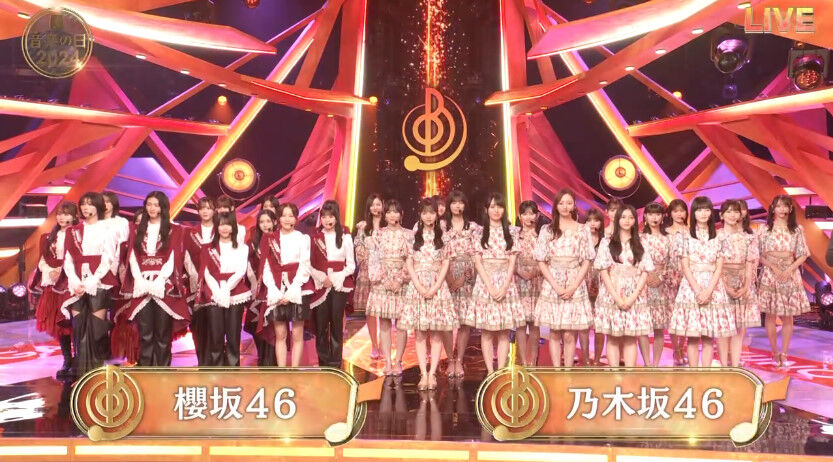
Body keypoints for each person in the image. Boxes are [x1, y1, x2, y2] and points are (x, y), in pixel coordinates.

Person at [669, 196, 736, 367]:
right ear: (693, 213)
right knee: (693, 336)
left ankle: (705, 373)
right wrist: (698, 290)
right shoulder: (684, 236)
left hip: (714, 288)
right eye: (699, 210)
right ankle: (693, 374)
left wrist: (709, 290)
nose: (703, 213)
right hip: (691, 288)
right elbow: (685, 266)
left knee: (708, 336)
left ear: (711, 212)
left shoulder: (720, 237)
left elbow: (719, 267)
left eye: (706, 210)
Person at [123, 191, 188, 366]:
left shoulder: (174, 230)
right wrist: (140, 279)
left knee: (162, 333)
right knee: (145, 333)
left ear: (163, 207)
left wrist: (160, 279)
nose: (152, 208)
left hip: (164, 285)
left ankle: (163, 371)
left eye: (156, 205)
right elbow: (132, 256)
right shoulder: (135, 229)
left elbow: (173, 256)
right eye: (149, 204)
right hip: (142, 284)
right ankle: (146, 370)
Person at [463, 193, 524, 374]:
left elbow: (512, 262)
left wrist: (504, 286)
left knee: (504, 330)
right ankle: (490, 371)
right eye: (492, 206)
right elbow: (477, 262)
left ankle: (502, 370)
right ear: (486, 209)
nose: (496, 210)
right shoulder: (478, 233)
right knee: (487, 331)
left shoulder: (512, 232)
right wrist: (489, 286)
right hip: (485, 284)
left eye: (500, 206)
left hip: (506, 283)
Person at [533, 189, 594, 367]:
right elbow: (541, 260)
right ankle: (556, 370)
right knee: (554, 332)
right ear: (556, 206)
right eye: (561, 203)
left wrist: (573, 286)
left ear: (574, 205)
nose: (565, 206)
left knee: (569, 332)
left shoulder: (583, 229)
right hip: (553, 282)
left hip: (575, 282)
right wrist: (556, 286)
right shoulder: (547, 230)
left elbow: (587, 260)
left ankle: (567, 371)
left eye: (569, 203)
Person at [400, 198, 455, 389]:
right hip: (418, 288)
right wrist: (419, 286)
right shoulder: (413, 237)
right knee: (420, 334)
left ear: (437, 214)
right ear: (420, 215)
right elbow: (409, 263)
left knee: (437, 334)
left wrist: (435, 287)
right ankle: (423, 374)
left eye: (431, 212)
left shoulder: (444, 237)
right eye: (425, 213)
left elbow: (446, 264)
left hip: (438, 288)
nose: (428, 216)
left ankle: (432, 374)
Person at [63, 192, 117, 375]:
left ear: (98, 206)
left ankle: (96, 372)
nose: (86, 207)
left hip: (99, 282)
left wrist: (93, 280)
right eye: (83, 204)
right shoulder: (73, 231)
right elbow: (68, 259)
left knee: (96, 330)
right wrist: (74, 280)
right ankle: (81, 373)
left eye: (90, 204)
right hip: (77, 283)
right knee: (78, 328)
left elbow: (108, 258)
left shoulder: (108, 229)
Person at [594, 204, 653, 368]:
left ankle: (629, 374)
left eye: (631, 217)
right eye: (624, 217)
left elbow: (645, 271)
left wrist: (633, 297)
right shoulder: (606, 242)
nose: (627, 221)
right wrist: (617, 298)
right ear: (618, 219)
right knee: (612, 337)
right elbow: (603, 271)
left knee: (630, 337)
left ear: (635, 220)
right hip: (611, 293)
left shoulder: (642, 242)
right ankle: (614, 374)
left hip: (635, 294)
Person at [757, 194, 811, 367]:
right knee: (770, 314)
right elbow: (757, 254)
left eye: (785, 206)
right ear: (773, 208)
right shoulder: (764, 229)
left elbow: (803, 254)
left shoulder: (797, 229)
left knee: (788, 316)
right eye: (778, 206)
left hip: (790, 273)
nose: (781, 209)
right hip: (770, 274)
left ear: (790, 208)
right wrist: (773, 267)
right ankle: (774, 352)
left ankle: (785, 354)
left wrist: (789, 269)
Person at [259, 203, 314, 367]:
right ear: (278, 218)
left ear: (296, 219)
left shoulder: (302, 238)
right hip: (277, 289)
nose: (287, 219)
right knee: (280, 335)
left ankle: (294, 371)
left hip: (298, 289)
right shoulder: (270, 239)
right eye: (284, 215)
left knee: (297, 334)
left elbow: (305, 265)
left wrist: (292, 291)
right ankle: (282, 371)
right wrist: (274, 290)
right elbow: (266, 267)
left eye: (291, 216)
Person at [195, 212, 251, 366]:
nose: (224, 228)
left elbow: (241, 271)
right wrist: (217, 291)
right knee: (216, 335)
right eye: (221, 224)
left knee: (233, 335)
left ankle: (233, 368)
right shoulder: (207, 248)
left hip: (235, 292)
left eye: (228, 224)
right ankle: (217, 368)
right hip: (214, 293)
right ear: (216, 227)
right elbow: (206, 272)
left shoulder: (242, 248)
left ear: (233, 226)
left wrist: (226, 288)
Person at [366, 199, 413, 375]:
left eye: (396, 211)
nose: (392, 215)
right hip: (382, 283)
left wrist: (399, 279)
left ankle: (398, 361)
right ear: (384, 215)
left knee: (402, 324)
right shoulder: (378, 234)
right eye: (389, 212)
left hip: (401, 283)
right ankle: (387, 361)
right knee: (384, 323)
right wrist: (385, 280)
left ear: (401, 214)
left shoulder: (409, 234)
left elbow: (411, 260)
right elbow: (373, 259)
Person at [31, 202, 78, 378]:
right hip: (53, 285)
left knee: (74, 324)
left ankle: (78, 360)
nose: (62, 217)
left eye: (66, 214)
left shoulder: (79, 235)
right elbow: (43, 260)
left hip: (72, 283)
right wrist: (50, 271)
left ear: (74, 216)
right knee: (60, 326)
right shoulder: (47, 237)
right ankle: (67, 360)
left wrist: (63, 270)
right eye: (59, 213)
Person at [309, 201, 355, 368]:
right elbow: (308, 264)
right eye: (324, 216)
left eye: (331, 216)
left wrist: (337, 277)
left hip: (338, 285)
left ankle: (335, 363)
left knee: (336, 324)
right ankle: (323, 362)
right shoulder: (314, 237)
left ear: (336, 217)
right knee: (321, 326)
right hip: (321, 284)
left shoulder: (345, 237)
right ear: (320, 218)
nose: (327, 220)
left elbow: (351, 265)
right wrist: (322, 278)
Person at [719, 199, 760, 367]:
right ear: (721, 215)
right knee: (723, 326)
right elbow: (714, 264)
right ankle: (723, 365)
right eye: (728, 211)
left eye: (735, 211)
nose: (732, 215)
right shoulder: (715, 237)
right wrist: (725, 285)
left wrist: (746, 286)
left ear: (740, 215)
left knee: (738, 327)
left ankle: (735, 365)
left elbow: (750, 262)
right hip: (721, 283)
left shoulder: (748, 238)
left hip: (743, 283)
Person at [444, 190, 481, 378]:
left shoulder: (473, 227)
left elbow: (478, 252)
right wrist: (449, 279)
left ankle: (459, 360)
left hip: (467, 276)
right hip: (446, 273)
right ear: (449, 205)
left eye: (461, 202)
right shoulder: (442, 226)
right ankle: (450, 359)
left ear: (465, 205)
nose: (457, 205)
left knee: (464, 322)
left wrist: (467, 276)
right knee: (447, 321)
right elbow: (438, 251)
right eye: (454, 202)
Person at [638, 202, 672, 367]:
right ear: (645, 216)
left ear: (663, 217)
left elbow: (672, 263)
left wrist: (661, 276)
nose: (654, 217)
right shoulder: (639, 238)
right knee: (642, 327)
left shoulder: (668, 239)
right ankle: (646, 363)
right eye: (651, 214)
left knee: (659, 328)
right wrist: (646, 277)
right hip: (642, 284)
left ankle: (656, 364)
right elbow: (635, 261)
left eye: (658, 214)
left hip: (662, 285)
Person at [183, 197, 216, 366]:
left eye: (208, 208)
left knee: (215, 327)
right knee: (198, 326)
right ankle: (202, 362)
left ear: (214, 211)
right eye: (202, 208)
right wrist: (197, 279)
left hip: (217, 287)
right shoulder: (190, 233)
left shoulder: (220, 231)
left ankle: (216, 362)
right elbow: (186, 258)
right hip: (196, 286)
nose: (205, 211)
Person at [353, 194, 385, 361]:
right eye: (372, 205)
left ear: (383, 206)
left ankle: (384, 345)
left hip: (385, 273)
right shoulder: (363, 227)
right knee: (371, 312)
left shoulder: (388, 225)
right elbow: (358, 249)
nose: (375, 207)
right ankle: (374, 345)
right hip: (368, 273)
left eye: (378, 204)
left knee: (385, 312)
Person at [245, 209, 277, 366]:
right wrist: (255, 287)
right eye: (262, 222)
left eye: (268, 221)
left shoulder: (279, 240)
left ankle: (273, 361)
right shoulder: (252, 243)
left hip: (275, 290)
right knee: (257, 324)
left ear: (275, 222)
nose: (265, 225)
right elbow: (248, 267)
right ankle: (262, 359)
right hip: (256, 290)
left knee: (273, 327)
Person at [514, 200, 542, 366]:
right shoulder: (515, 236)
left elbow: (546, 258)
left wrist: (535, 271)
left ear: (537, 216)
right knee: (520, 324)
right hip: (519, 282)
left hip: (537, 282)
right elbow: (510, 258)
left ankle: (533, 361)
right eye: (525, 214)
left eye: (532, 213)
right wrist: (519, 271)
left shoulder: (542, 236)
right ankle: (522, 361)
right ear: (520, 216)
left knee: (534, 325)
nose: (528, 217)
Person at [664, 198, 689, 365]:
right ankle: (675, 349)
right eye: (676, 211)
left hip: (688, 275)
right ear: (670, 214)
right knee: (673, 315)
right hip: (671, 276)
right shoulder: (665, 232)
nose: (679, 214)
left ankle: (682, 347)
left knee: (686, 314)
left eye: (682, 210)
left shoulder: (691, 231)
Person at [582, 208, 605, 366]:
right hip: (582, 286)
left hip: (601, 288)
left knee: (599, 327)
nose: (592, 223)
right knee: (583, 326)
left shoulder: (605, 241)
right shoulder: (581, 240)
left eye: (596, 220)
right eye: (589, 220)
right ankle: (585, 357)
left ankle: (597, 358)